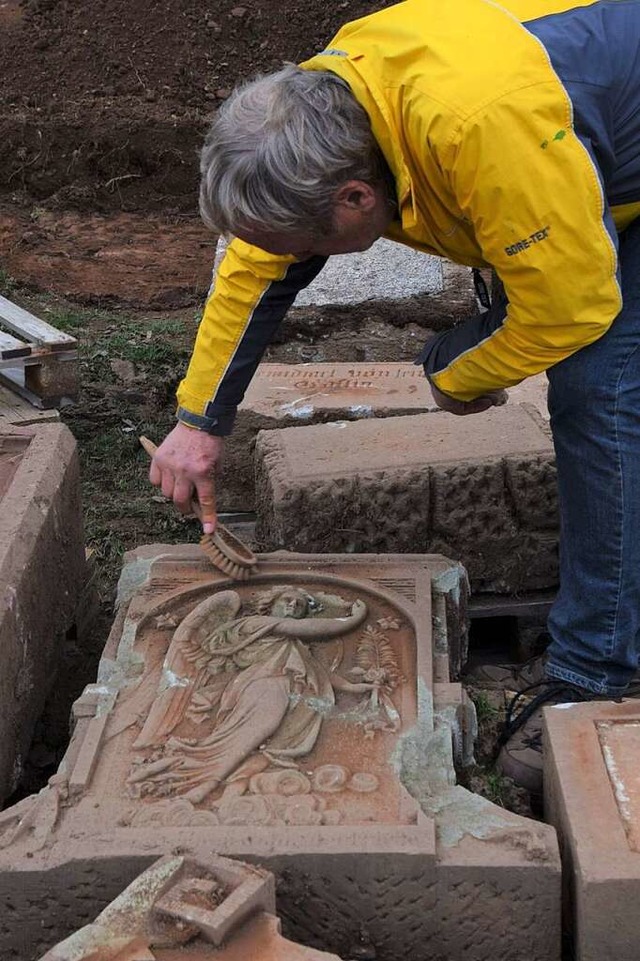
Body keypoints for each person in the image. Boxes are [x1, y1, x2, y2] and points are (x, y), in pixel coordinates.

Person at [149, 0, 640, 795]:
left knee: (599, 393)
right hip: (558, 154)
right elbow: (256, 267)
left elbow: (575, 307)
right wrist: (200, 420)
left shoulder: (482, 131)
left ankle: (597, 671)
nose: (289, 258)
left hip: (598, 162)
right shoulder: (326, 106)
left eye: (306, 244)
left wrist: (458, 376)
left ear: (354, 199)